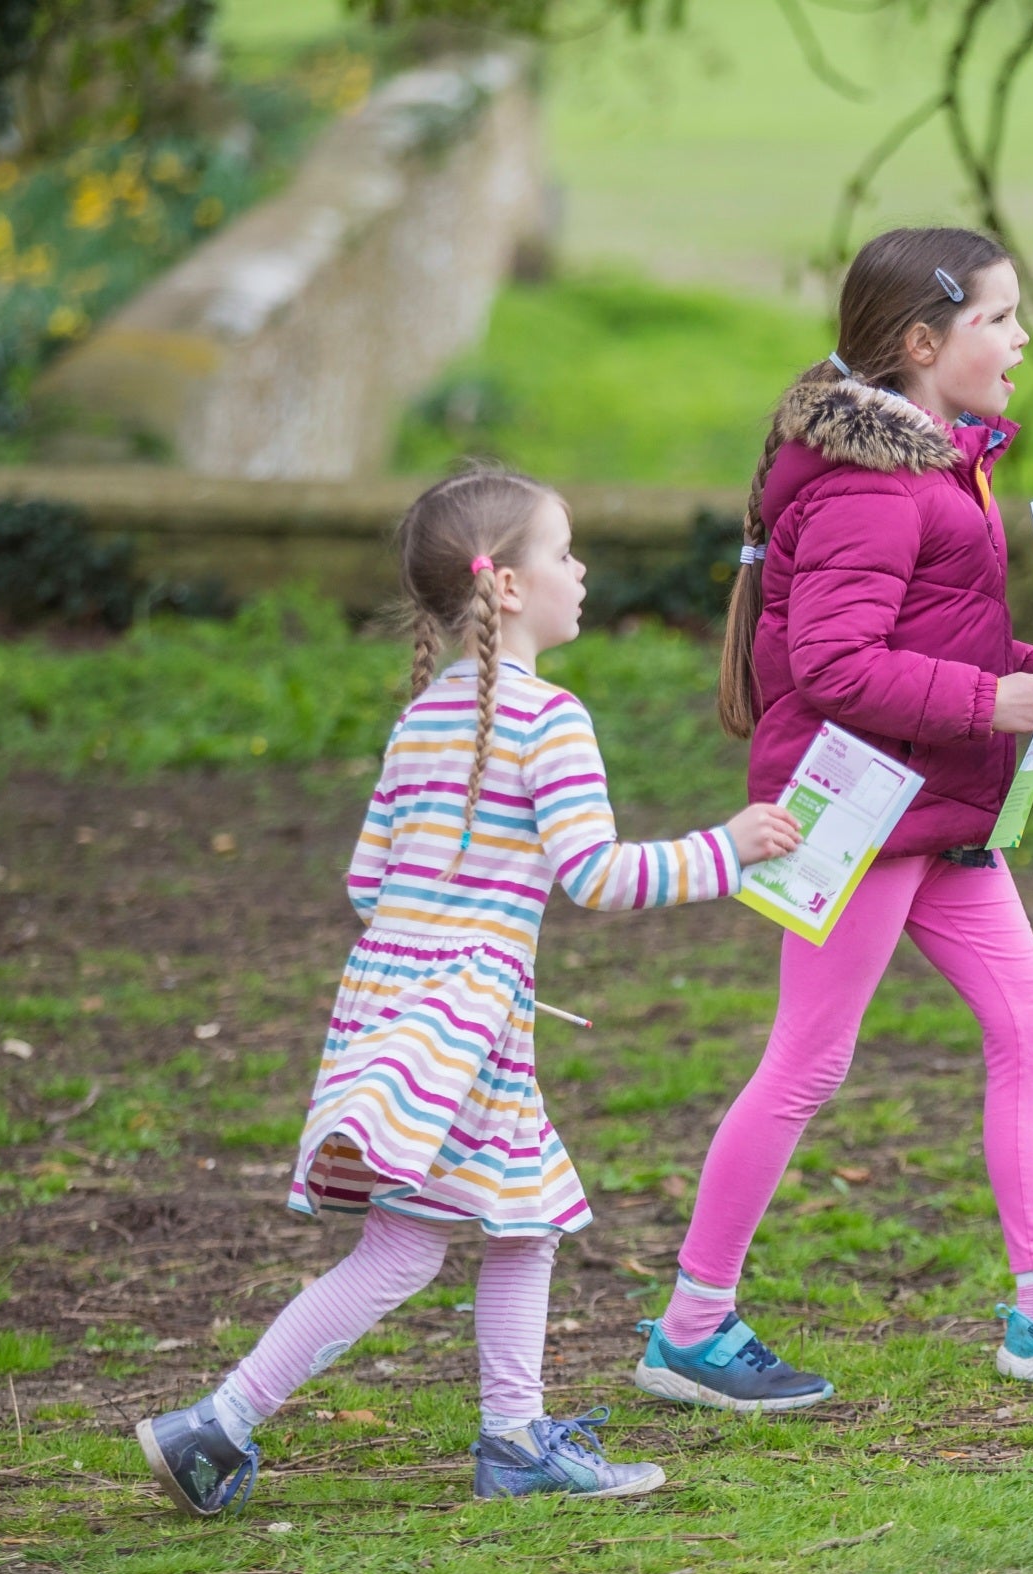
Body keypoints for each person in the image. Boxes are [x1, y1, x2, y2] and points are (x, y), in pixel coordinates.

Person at [138, 466, 804, 1514]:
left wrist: (454, 937)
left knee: (518, 1220)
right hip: (466, 1029)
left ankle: (507, 1439)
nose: (580, 571)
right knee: (407, 1247)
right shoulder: (551, 720)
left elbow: (369, 883)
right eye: (563, 552)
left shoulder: (421, 723)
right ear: (506, 588)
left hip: (399, 1007)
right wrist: (727, 850)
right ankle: (223, 1423)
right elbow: (596, 876)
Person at [629, 226, 1033, 1415]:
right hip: (864, 806)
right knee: (808, 1059)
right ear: (923, 342)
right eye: (1001, 319)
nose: (1023, 340)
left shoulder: (940, 466)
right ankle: (690, 1329)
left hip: (931, 792)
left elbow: (921, 631)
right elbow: (839, 667)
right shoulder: (869, 484)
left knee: (1031, 1013)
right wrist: (988, 699)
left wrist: (1023, 673)